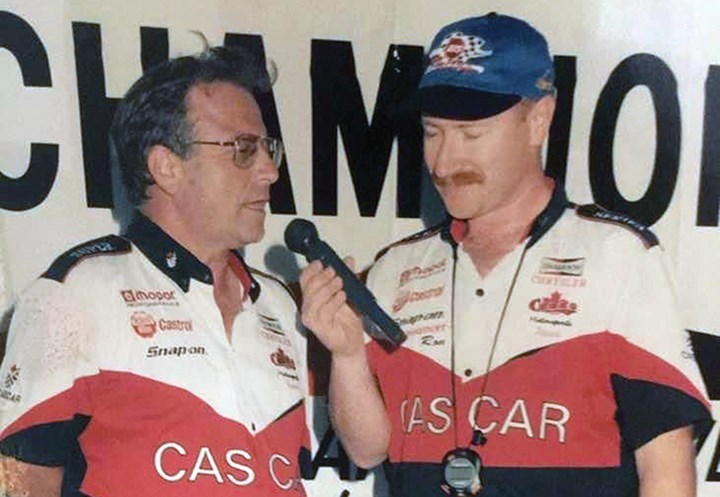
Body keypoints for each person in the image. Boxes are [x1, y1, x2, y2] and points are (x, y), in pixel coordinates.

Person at [299, 12, 713, 497]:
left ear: (539, 120)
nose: (445, 162)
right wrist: (346, 354)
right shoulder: (396, 269)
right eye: (433, 133)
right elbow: (368, 450)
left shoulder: (617, 255)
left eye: (471, 135)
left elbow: (667, 473)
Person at [0, 47, 308, 496]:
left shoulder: (277, 303)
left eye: (268, 148)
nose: (269, 171)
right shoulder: (78, 290)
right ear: (166, 167)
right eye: (243, 150)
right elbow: (19, 479)